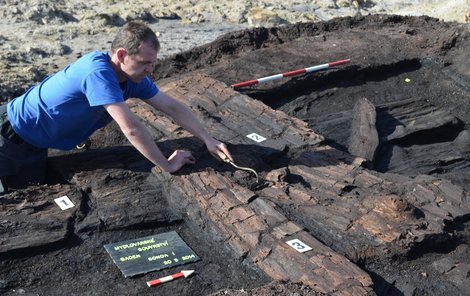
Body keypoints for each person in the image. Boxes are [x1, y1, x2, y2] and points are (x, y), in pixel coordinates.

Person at [0, 21, 233, 193]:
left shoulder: (133, 79)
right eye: (144, 63)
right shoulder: (97, 73)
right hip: (9, 138)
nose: (150, 70)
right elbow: (130, 127)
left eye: (152, 63)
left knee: (28, 194)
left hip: (35, 143)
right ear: (121, 55)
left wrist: (207, 139)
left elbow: (172, 107)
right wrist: (167, 164)